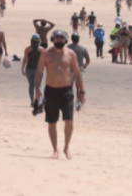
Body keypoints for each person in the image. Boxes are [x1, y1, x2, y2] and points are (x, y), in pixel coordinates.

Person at [33, 29, 86, 160]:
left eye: (62, 38)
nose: (59, 40)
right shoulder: (46, 54)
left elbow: (78, 74)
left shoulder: (71, 54)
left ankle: (66, 147)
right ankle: (55, 150)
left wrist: (82, 92)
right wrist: (37, 90)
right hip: (50, 91)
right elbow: (39, 72)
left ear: (66, 40)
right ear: (53, 39)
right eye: (57, 38)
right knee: (52, 122)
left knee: (69, 121)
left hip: (67, 91)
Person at [21, 34, 43, 106]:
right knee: (38, 85)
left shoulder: (27, 49)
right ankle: (40, 100)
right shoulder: (42, 50)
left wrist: (22, 68)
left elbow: (25, 59)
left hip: (29, 69)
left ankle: (32, 101)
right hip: (38, 69)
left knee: (31, 85)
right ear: (39, 41)